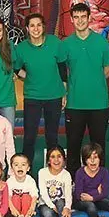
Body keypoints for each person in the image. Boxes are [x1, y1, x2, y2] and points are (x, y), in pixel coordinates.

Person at [62, 3, 109, 177]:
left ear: (89, 18)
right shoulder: (66, 44)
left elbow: (108, 68)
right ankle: (74, 182)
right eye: (76, 17)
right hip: (74, 103)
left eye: (83, 16)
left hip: (98, 103)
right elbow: (63, 71)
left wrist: (93, 81)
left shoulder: (101, 42)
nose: (80, 20)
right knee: (74, 144)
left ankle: (99, 181)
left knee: (98, 146)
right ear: (71, 20)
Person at [15, 13, 67, 165]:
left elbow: (62, 68)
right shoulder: (22, 48)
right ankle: (26, 171)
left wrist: (64, 92)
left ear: (43, 27)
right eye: (32, 25)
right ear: (27, 28)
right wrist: (28, 76)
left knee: (52, 137)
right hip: (33, 97)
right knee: (29, 136)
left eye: (38, 25)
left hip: (54, 96)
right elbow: (17, 68)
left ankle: (54, 170)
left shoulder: (55, 43)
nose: (35, 29)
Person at [37, 146, 74, 217]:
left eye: (59, 156)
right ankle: (62, 214)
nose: (56, 160)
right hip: (46, 203)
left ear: (64, 159)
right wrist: (53, 207)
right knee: (48, 216)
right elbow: (43, 193)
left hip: (60, 201)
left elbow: (68, 194)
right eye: (52, 157)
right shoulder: (42, 172)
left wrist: (67, 207)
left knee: (62, 203)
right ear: (48, 160)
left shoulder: (66, 174)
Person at [5, 153, 38, 217]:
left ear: (28, 168)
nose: (19, 167)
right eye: (16, 165)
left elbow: (34, 196)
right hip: (15, 209)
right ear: (12, 169)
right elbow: (8, 197)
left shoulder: (30, 180)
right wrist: (12, 209)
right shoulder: (10, 181)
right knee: (15, 197)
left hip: (26, 208)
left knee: (26, 197)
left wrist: (32, 208)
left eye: (23, 165)